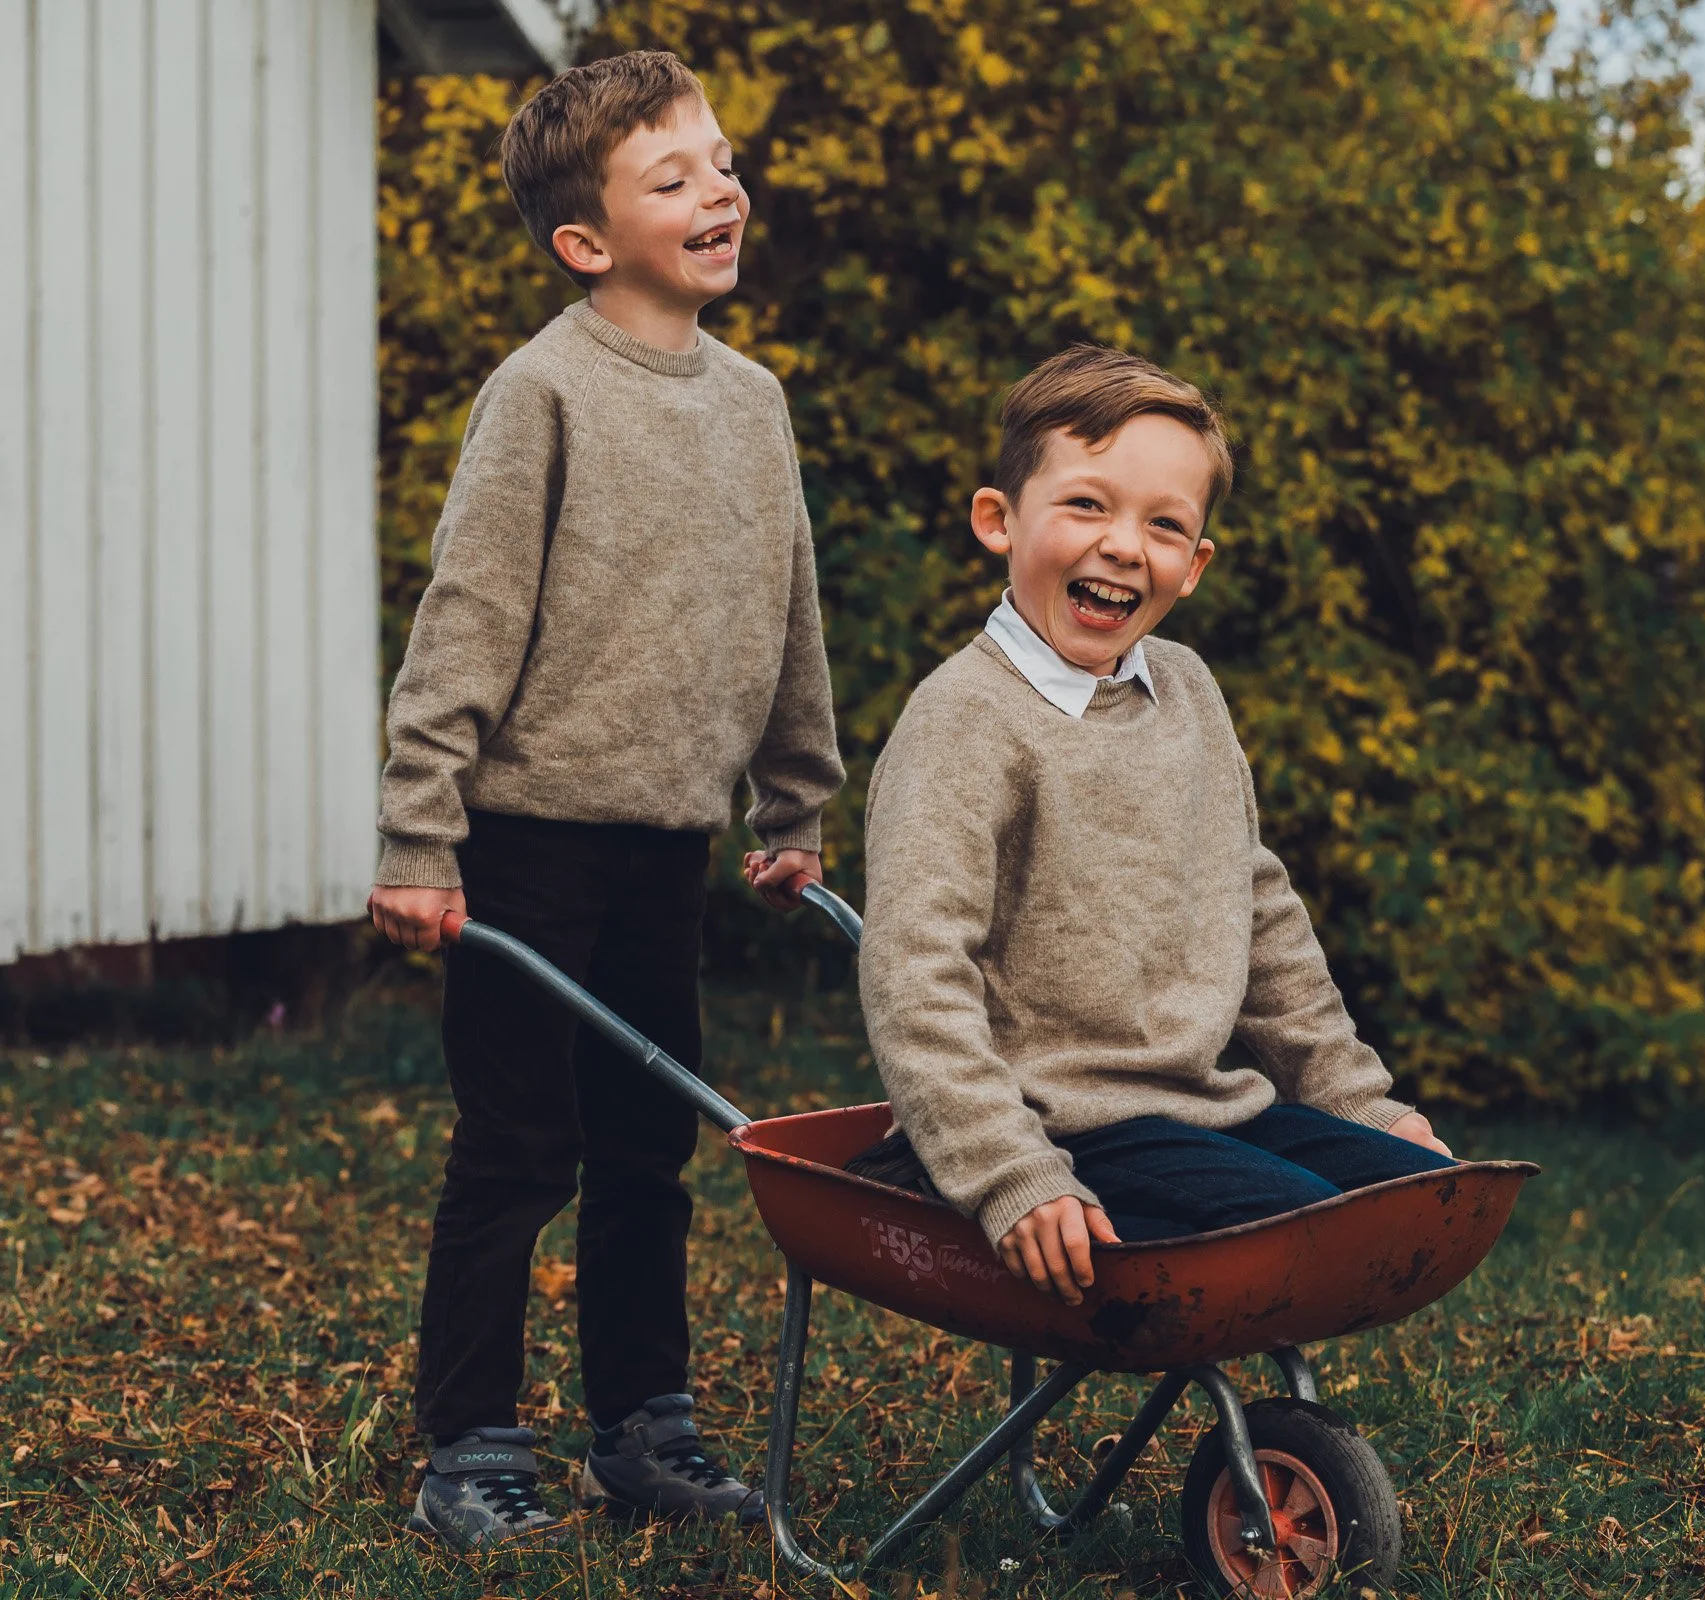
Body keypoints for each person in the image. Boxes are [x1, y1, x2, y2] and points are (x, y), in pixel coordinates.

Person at [367, 51, 842, 1548]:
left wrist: (791, 803)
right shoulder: (543, 392)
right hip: (525, 841)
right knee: (517, 1148)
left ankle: (643, 1427)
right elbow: (466, 620)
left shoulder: (755, 403)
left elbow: (788, 614)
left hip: (662, 847)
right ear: (585, 239)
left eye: (722, 162)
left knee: (649, 1148)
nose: (721, 190)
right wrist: (420, 831)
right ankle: (469, 1447)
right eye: (674, 176)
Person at [855, 346, 1454, 1309]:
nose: (1125, 546)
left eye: (1164, 524)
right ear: (998, 520)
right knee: (1298, 1225)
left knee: (1408, 1195)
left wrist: (1356, 1101)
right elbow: (914, 973)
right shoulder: (965, 719)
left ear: (1195, 564)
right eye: (1087, 505)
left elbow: (1260, 916)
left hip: (1194, 1109)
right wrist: (1009, 1171)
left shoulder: (1187, 692)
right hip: (1052, 1125)